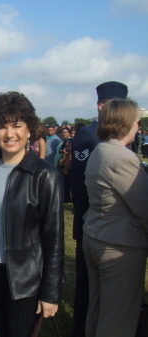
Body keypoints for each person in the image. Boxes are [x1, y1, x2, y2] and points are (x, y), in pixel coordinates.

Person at [0, 91, 64, 337]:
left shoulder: (45, 175)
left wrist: (50, 293)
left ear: (29, 130)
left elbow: (54, 240)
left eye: (17, 125)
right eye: (2, 126)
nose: (9, 133)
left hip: (25, 279)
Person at [82, 98, 148, 337]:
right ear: (127, 123)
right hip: (119, 246)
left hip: (97, 238)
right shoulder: (123, 157)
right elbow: (144, 207)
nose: (138, 125)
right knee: (117, 320)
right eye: (136, 121)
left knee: (99, 312)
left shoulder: (101, 149)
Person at [70, 81, 128, 337]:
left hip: (117, 229)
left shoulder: (123, 135)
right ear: (101, 106)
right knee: (87, 290)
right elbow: (80, 187)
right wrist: (83, 224)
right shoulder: (87, 136)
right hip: (91, 224)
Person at [55, 126, 72, 203]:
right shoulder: (62, 141)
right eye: (63, 132)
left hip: (64, 163)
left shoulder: (69, 141)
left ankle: (65, 197)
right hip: (58, 163)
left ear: (69, 133)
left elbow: (65, 151)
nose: (63, 134)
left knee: (64, 182)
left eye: (65, 132)